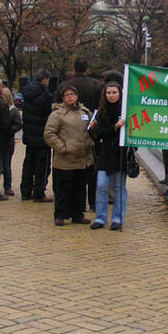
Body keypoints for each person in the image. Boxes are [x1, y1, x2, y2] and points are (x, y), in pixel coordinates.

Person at [44, 84, 94, 226]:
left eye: (72, 94)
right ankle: (60, 215)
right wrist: (63, 147)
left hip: (83, 159)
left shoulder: (85, 112)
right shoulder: (57, 115)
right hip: (65, 160)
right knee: (63, 189)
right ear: (63, 98)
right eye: (67, 94)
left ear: (77, 96)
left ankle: (77, 214)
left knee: (79, 189)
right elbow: (49, 134)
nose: (70, 96)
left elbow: (91, 130)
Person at [59, 58, 103, 211]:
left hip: (68, 133)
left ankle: (73, 202)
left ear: (73, 68)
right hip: (91, 131)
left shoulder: (64, 86)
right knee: (91, 169)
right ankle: (92, 202)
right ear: (87, 69)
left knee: (70, 171)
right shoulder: (97, 85)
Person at [89, 81, 128, 230]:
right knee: (101, 186)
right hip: (105, 153)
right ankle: (100, 217)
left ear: (120, 93)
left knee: (119, 188)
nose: (111, 96)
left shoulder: (125, 111)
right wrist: (115, 127)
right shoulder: (101, 111)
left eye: (114, 92)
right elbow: (100, 131)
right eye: (109, 93)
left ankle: (117, 219)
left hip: (120, 153)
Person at [20, 69, 54, 202]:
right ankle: (39, 192)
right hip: (41, 135)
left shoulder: (27, 94)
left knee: (29, 163)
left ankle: (25, 190)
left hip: (29, 135)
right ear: (45, 79)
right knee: (43, 165)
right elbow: (48, 112)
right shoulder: (44, 95)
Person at [0, 86, 23, 196]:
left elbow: (18, 124)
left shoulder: (13, 110)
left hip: (8, 140)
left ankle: (7, 186)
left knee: (6, 165)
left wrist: (10, 130)